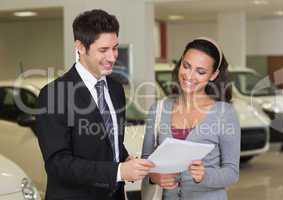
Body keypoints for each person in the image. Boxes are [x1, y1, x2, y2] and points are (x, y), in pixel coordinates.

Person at [35, 9, 154, 200]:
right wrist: (118, 171)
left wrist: (124, 158)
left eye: (115, 48)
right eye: (103, 50)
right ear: (80, 47)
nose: (113, 57)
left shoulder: (116, 89)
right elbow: (58, 163)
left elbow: (110, 140)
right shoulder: (53, 94)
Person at [142, 37, 240, 200]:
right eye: (186, 66)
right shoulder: (158, 109)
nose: (189, 76)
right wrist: (154, 176)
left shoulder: (225, 113)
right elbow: (146, 160)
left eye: (200, 71)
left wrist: (204, 175)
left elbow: (232, 172)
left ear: (214, 74)